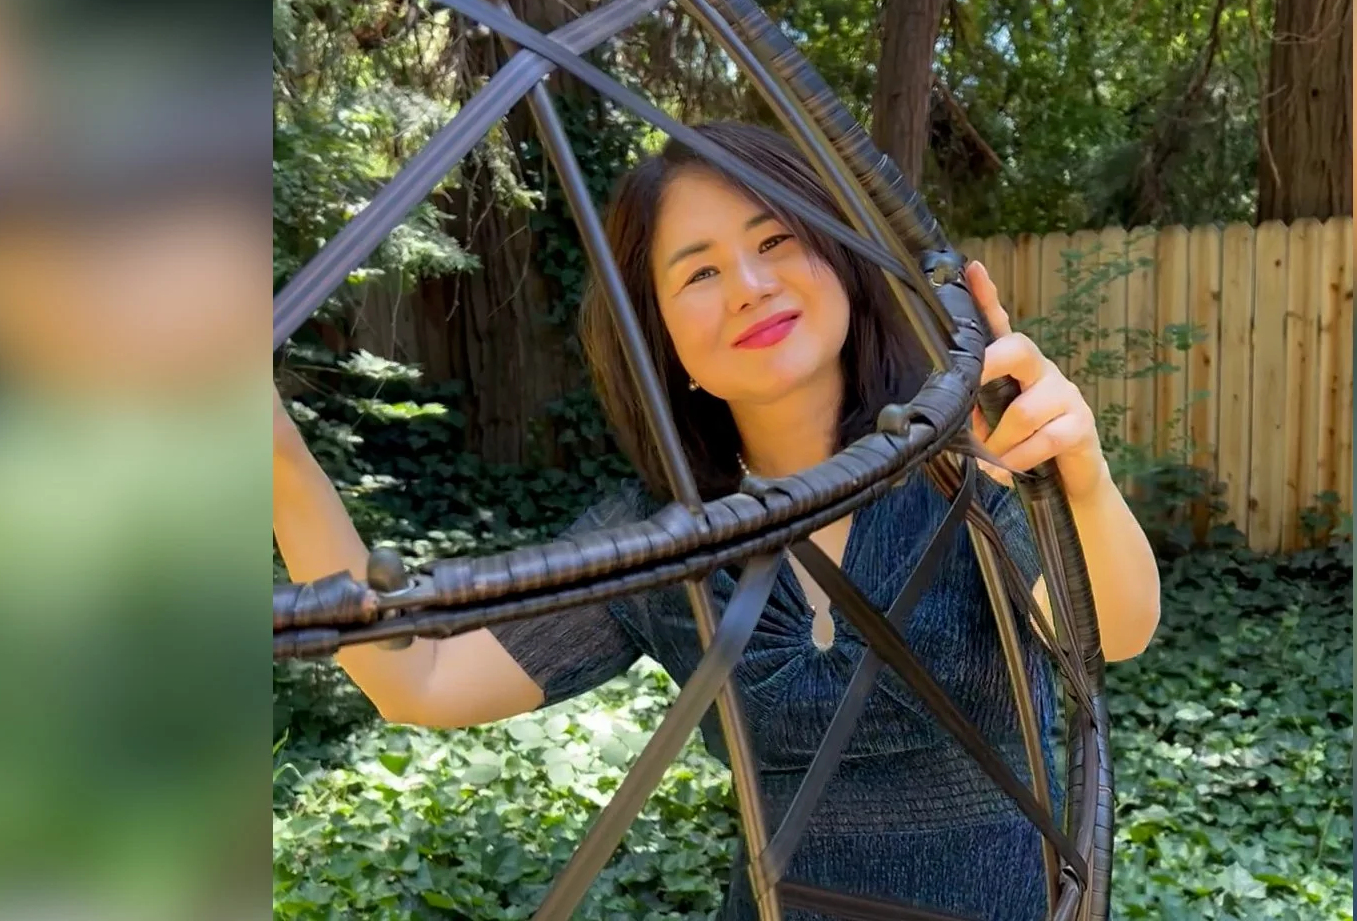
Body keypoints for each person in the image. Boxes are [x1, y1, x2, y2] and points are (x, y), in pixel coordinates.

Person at [273, 122, 1162, 920]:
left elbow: (1111, 633)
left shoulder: (960, 447)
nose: (747, 286)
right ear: (662, 335)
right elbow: (419, 678)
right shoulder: (671, 540)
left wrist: (1076, 478)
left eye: (775, 239)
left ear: (842, 261)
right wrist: (277, 454)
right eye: (698, 270)